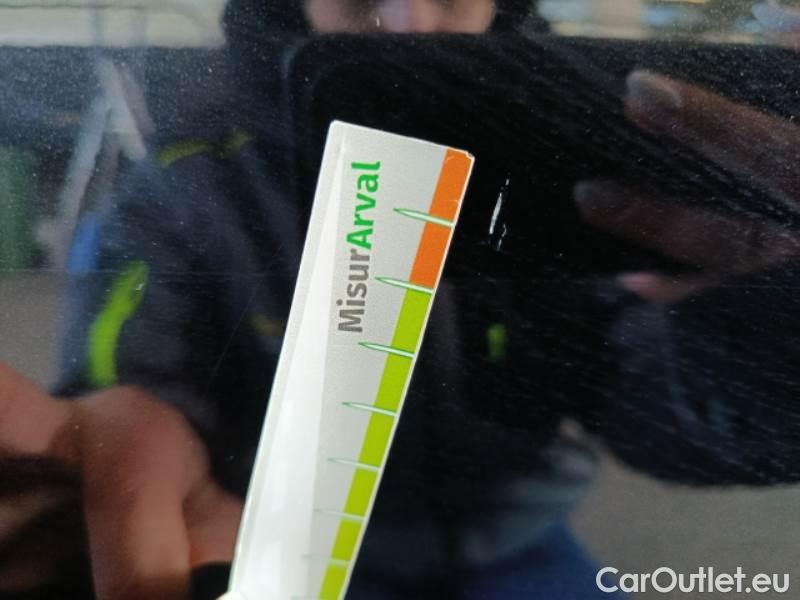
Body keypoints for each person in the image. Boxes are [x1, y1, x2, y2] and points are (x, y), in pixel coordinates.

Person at [1, 1, 800, 599]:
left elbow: (646, 397)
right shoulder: (188, 182)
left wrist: (773, 323)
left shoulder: (572, 162)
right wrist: (119, 420)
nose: (413, 21)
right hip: (290, 544)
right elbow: (133, 374)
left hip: (515, 539)